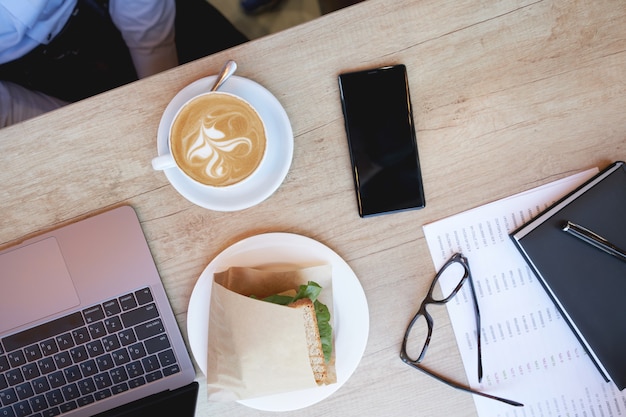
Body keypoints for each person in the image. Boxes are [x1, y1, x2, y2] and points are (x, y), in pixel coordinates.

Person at [0, 0, 247, 128]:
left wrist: (159, 77)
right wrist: (80, 127)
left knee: (250, 88)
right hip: (23, 82)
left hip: (140, 12)